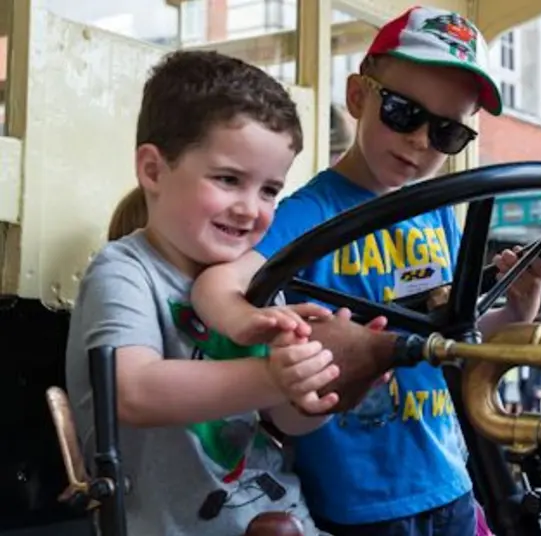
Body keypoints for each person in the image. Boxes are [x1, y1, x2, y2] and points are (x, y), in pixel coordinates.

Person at [191, 6, 541, 535]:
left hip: (451, 481)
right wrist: (246, 322)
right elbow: (219, 283)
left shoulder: (439, 213)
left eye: (446, 133)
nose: (420, 141)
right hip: (358, 499)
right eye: (401, 111)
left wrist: (514, 311)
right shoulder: (307, 216)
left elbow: (453, 342)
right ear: (357, 97)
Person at [65, 50, 343, 536]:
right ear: (153, 170)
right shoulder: (125, 273)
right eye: (229, 180)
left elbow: (286, 421)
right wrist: (272, 375)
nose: (251, 209)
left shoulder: (255, 285)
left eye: (269, 191)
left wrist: (325, 375)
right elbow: (134, 392)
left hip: (284, 518)